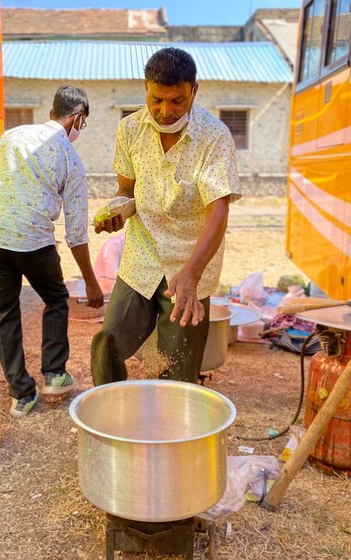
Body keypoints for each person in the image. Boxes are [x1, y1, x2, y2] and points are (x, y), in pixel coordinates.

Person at [90, 47, 240, 385]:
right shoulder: (129, 130)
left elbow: (218, 210)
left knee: (178, 366)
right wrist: (117, 211)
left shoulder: (214, 137)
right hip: (141, 258)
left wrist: (191, 275)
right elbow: (126, 190)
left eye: (177, 101)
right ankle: (109, 410)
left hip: (190, 265)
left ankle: (171, 430)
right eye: (157, 99)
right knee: (107, 343)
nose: (166, 110)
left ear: (193, 92)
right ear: (146, 88)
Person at [0, 85, 104, 417]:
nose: (81, 132)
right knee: (56, 299)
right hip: (34, 242)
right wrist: (91, 282)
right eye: (84, 125)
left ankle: (21, 395)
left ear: (51, 113)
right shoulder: (70, 159)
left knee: (4, 313)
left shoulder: (11, 136)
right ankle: (54, 374)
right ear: (78, 118)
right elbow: (76, 232)